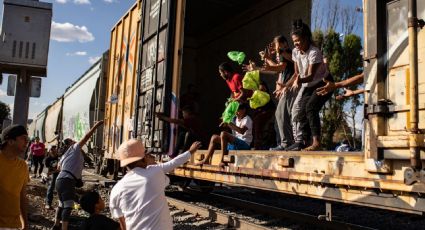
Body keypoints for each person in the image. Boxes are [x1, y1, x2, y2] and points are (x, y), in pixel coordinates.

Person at [109, 139, 202, 230]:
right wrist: (190, 151)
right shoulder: (155, 172)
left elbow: (122, 223)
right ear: (144, 158)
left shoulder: (116, 189)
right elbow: (174, 163)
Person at [285, 19, 333, 151]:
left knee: (311, 108)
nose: (296, 44)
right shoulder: (295, 52)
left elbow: (311, 76)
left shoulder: (314, 52)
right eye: (294, 41)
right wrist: (289, 84)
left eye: (298, 41)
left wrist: (298, 81)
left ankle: (317, 142)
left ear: (306, 38)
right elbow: (297, 72)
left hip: (324, 82)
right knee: (300, 112)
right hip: (309, 85)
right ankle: (304, 142)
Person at [52, 121, 104, 230]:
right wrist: (97, 125)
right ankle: (64, 228)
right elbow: (86, 137)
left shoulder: (64, 156)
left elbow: (58, 169)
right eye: (72, 140)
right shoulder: (74, 148)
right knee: (68, 205)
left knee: (61, 204)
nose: (75, 140)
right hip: (67, 180)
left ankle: (56, 225)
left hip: (60, 180)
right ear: (71, 143)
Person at [0, 125, 29, 230]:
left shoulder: (23, 166)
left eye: (28, 139)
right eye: (24, 138)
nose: (27, 142)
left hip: (14, 225)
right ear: (10, 141)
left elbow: (22, 196)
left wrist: (25, 223)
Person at [44, 145, 59, 209]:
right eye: (51, 149)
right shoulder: (47, 159)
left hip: (61, 174)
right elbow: (45, 173)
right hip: (52, 174)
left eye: (54, 149)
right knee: (51, 188)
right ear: (49, 151)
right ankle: (48, 203)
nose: (53, 151)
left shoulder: (60, 157)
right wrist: (56, 171)